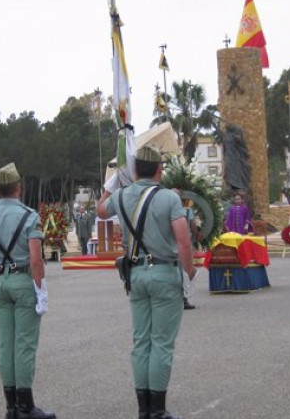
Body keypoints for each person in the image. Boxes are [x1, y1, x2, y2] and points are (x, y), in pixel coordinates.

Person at [97, 145, 197, 419]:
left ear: (134, 171)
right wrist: (189, 272)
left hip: (136, 275)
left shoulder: (121, 195)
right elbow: (183, 240)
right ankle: (158, 409)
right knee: (162, 343)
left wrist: (111, 183)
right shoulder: (168, 198)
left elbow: (100, 210)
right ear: (158, 170)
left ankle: (143, 409)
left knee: (141, 341)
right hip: (164, 272)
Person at [0, 162, 56, 419]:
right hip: (22, 281)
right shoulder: (29, 216)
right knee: (24, 345)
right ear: (19, 188)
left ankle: (11, 407)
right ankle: (26, 406)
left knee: (4, 344)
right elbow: (35, 259)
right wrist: (41, 291)